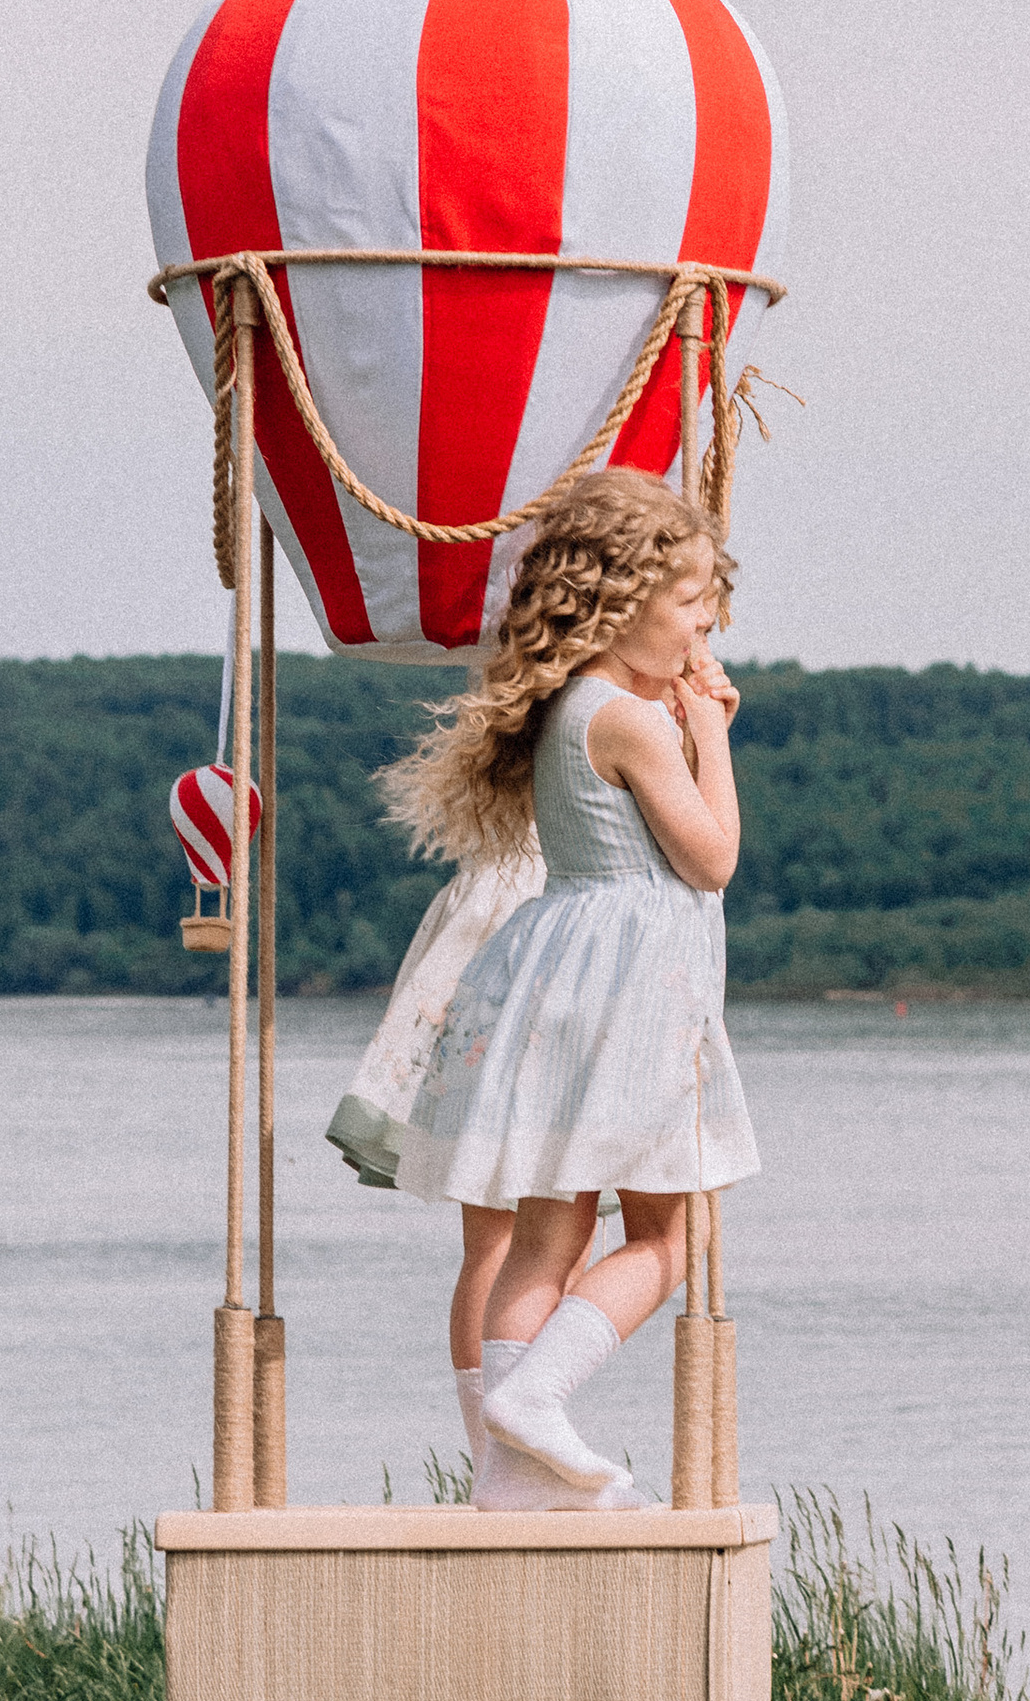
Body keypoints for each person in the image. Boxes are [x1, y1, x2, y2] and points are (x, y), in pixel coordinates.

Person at [382, 473, 757, 1510]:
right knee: (670, 1237)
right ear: (623, 599)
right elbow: (711, 858)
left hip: (565, 974)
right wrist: (714, 734)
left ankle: (510, 1475)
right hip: (632, 991)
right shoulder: (629, 721)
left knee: (550, 1236)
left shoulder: (570, 704)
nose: (706, 621)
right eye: (689, 602)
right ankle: (538, 1398)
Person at [323, 845, 553, 1487]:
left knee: (507, 1239)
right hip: (542, 913)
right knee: (524, 1236)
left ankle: (502, 1450)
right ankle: (506, 1448)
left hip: (505, 909)